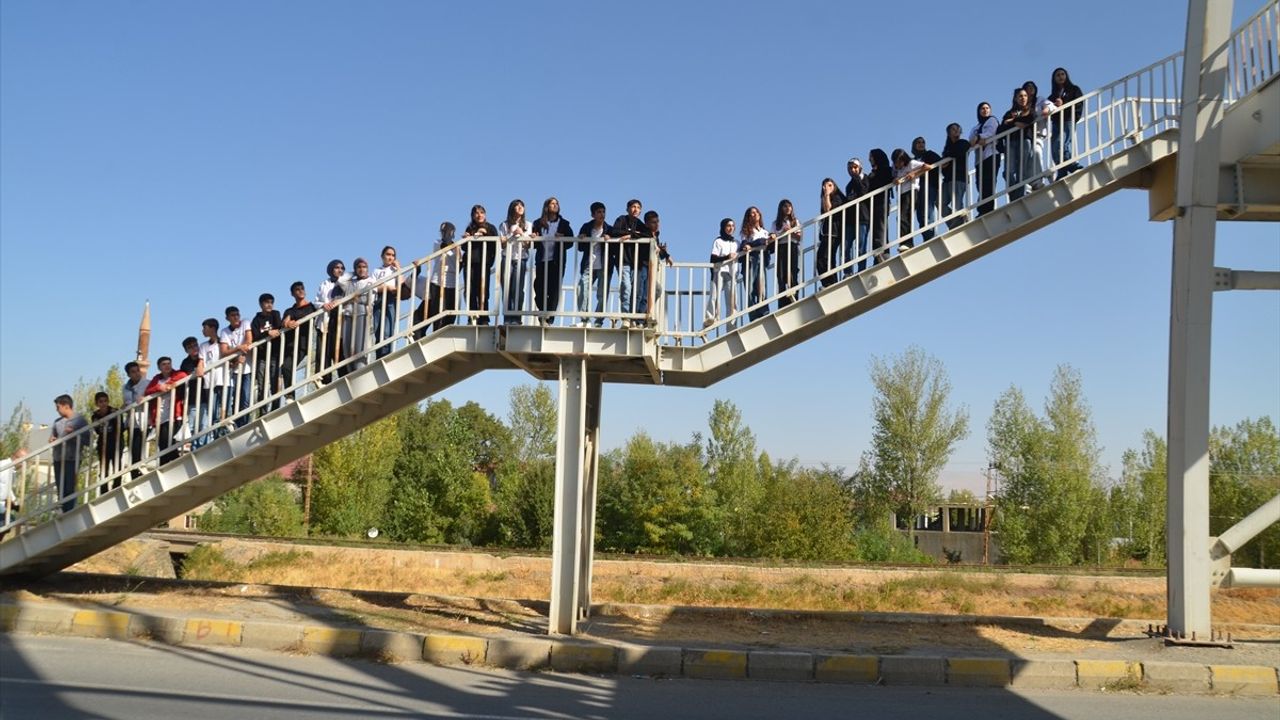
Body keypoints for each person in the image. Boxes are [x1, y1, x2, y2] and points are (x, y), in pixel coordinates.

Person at [414, 221, 463, 336]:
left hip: (452, 282)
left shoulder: (458, 247)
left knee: (451, 311)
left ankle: (445, 334)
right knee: (436, 310)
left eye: (448, 231)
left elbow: (459, 263)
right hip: (437, 281)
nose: (446, 234)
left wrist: (457, 251)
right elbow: (443, 247)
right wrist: (455, 249)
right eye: (443, 231)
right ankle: (435, 333)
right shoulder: (437, 243)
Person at [531, 197, 573, 325]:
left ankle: (549, 318)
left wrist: (563, 238)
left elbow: (571, 240)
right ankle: (543, 311)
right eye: (552, 203)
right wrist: (534, 237)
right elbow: (533, 243)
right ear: (546, 207)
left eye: (556, 203)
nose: (555, 205)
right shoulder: (538, 223)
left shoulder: (564, 223)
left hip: (557, 261)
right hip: (542, 260)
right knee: (539, 287)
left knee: (554, 289)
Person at [629, 209, 672, 325]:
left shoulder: (655, 236)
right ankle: (634, 318)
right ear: (647, 223)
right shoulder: (644, 233)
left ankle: (640, 317)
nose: (657, 224)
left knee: (654, 291)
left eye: (657, 221)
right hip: (641, 266)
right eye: (653, 222)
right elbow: (644, 245)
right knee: (639, 292)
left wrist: (666, 255)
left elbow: (658, 251)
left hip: (650, 269)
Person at [576, 201, 615, 325]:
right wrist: (582, 238)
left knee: (602, 294)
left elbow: (614, 249)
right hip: (589, 264)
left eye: (603, 212)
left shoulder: (609, 229)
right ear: (593, 215)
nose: (602, 214)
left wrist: (611, 239)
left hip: (604, 266)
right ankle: (584, 318)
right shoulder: (587, 227)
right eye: (599, 212)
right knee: (581, 287)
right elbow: (580, 248)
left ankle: (598, 320)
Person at [145, 357, 188, 466]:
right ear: (159, 367)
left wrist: (170, 383)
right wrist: (160, 387)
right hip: (159, 417)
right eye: (164, 364)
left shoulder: (176, 374)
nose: (167, 366)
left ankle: (167, 466)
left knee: (168, 441)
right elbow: (148, 391)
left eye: (169, 363)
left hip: (174, 415)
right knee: (163, 444)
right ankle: (172, 465)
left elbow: (183, 376)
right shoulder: (157, 379)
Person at [50, 394, 89, 513]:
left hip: (72, 458)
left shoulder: (80, 420)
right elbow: (53, 436)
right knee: (61, 488)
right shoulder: (57, 422)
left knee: (69, 488)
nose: (57, 410)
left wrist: (74, 435)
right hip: (58, 458)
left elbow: (88, 440)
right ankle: (63, 512)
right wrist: (52, 439)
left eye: (58, 407)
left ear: (66, 406)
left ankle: (69, 512)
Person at [462, 205, 499, 326]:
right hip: (470, 263)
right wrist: (467, 238)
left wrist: (485, 233)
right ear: (473, 216)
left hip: (484, 263)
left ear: (485, 214)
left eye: (482, 212)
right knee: (470, 291)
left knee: (483, 291)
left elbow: (495, 244)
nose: (479, 215)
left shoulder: (490, 227)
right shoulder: (470, 228)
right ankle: (472, 316)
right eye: (476, 213)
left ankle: (483, 318)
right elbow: (464, 247)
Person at [218, 306, 254, 427]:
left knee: (246, 398)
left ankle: (244, 424)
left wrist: (239, 351)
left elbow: (249, 340)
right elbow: (224, 352)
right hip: (234, 369)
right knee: (235, 399)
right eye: (233, 315)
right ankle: (237, 424)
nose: (236, 317)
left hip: (247, 368)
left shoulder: (245, 322)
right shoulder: (224, 332)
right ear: (227, 318)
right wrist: (238, 349)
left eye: (237, 314)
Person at [499, 200, 532, 325]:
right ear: (512, 208)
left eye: (522, 205)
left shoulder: (528, 224)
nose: (520, 207)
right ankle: (508, 318)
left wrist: (522, 234)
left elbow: (528, 245)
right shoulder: (504, 225)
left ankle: (517, 318)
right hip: (506, 258)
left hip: (521, 258)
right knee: (506, 290)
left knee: (517, 289)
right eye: (517, 205)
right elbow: (502, 244)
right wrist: (511, 234)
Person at [611, 199, 646, 319]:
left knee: (635, 289)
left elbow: (646, 234)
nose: (635, 209)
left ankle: (632, 315)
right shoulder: (621, 219)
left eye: (638, 207)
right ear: (628, 209)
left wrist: (631, 235)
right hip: (623, 259)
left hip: (636, 262)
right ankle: (626, 315)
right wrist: (630, 232)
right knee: (626, 287)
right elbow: (614, 231)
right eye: (633, 207)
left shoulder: (640, 224)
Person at [340, 258, 374, 376]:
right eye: (358, 267)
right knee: (347, 347)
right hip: (348, 314)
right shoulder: (350, 282)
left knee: (360, 345)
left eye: (364, 267)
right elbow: (340, 280)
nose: (361, 269)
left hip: (362, 314)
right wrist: (353, 273)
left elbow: (369, 299)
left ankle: (360, 369)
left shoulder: (371, 281)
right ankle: (351, 371)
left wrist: (355, 299)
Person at [1048, 67, 1084, 178]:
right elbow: (1049, 109)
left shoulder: (1074, 89)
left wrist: (1064, 104)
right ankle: (1063, 171)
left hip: (1068, 119)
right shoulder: (1052, 96)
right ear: (1054, 79)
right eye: (1057, 75)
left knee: (1062, 145)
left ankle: (1072, 165)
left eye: (1062, 74)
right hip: (1056, 122)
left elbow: (1078, 103)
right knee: (1055, 148)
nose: (1060, 77)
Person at [280, 282, 315, 397]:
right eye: (297, 289)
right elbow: (284, 322)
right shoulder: (290, 310)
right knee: (284, 368)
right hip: (289, 345)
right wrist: (287, 323)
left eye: (302, 288)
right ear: (292, 294)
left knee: (287, 366)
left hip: (302, 344)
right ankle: (289, 395)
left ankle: (290, 395)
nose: (300, 291)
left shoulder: (312, 307)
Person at [1001, 87, 1036, 201]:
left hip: (1025, 140)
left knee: (1022, 169)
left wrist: (1013, 121)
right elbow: (1001, 128)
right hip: (1011, 142)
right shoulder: (1009, 113)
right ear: (1015, 98)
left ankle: (1019, 194)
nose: (1023, 98)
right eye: (1020, 96)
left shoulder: (1030, 109)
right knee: (1008, 172)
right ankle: (1014, 194)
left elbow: (1031, 118)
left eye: (1025, 96)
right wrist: (1016, 122)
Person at [316, 259, 348, 383]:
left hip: (340, 320)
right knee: (323, 352)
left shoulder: (347, 282)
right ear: (330, 269)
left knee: (339, 352)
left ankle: (344, 378)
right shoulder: (324, 284)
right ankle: (325, 380)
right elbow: (317, 301)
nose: (339, 270)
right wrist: (324, 305)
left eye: (342, 268)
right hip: (325, 321)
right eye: (337, 267)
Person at [738, 206, 773, 321]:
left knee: (761, 287)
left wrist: (771, 239)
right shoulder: (746, 231)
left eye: (756, 212)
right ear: (748, 217)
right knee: (750, 288)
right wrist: (760, 242)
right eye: (752, 213)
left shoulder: (764, 231)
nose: (755, 214)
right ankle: (753, 314)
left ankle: (764, 310)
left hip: (762, 259)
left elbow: (769, 246)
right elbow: (744, 244)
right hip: (751, 259)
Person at [892, 148, 930, 250]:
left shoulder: (911, 163)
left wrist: (914, 173)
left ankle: (907, 242)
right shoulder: (896, 169)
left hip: (912, 191)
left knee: (904, 217)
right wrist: (895, 180)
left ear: (903, 159)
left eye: (899, 162)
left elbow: (927, 167)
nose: (897, 164)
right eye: (895, 162)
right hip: (902, 194)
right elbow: (894, 177)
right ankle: (906, 242)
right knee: (903, 218)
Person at [196, 318, 227, 445]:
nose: (203, 330)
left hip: (223, 379)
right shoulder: (203, 346)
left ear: (212, 328)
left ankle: (224, 435)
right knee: (213, 412)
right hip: (209, 382)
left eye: (205, 328)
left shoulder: (223, 342)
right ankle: (216, 438)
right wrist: (199, 367)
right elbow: (201, 361)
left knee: (224, 410)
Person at [969, 102, 1001, 216]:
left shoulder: (992, 120)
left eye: (987, 108)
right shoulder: (975, 127)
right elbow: (971, 141)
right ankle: (982, 207)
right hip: (979, 160)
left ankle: (986, 209)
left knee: (989, 182)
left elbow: (990, 133)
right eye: (982, 108)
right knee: (980, 184)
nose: (985, 110)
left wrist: (979, 137)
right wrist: (978, 139)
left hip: (991, 154)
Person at [370, 245, 403, 358]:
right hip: (378, 299)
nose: (390, 257)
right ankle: (379, 355)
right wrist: (386, 287)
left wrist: (398, 268)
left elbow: (401, 285)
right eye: (388, 254)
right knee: (377, 328)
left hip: (390, 299)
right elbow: (373, 287)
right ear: (382, 256)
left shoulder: (394, 270)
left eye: (393, 255)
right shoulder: (376, 271)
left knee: (387, 329)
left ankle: (386, 355)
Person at [704, 218, 738, 327]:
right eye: (728, 225)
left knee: (731, 300)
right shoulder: (718, 241)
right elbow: (713, 258)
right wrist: (727, 257)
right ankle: (710, 318)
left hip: (731, 274)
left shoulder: (736, 242)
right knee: (714, 296)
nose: (731, 228)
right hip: (719, 272)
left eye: (732, 226)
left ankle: (731, 325)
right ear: (723, 227)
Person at [864, 149, 894, 269]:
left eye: (871, 156)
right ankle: (880, 254)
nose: (869, 159)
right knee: (878, 228)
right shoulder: (873, 173)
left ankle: (881, 253)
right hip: (872, 204)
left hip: (881, 202)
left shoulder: (885, 170)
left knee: (880, 227)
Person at [911, 137, 944, 241]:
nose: (921, 144)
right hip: (917, 188)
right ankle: (926, 235)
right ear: (914, 145)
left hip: (930, 184)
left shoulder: (929, 154)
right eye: (918, 142)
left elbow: (942, 163)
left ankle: (931, 234)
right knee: (920, 213)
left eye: (923, 142)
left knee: (928, 209)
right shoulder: (912, 160)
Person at [940, 123, 971, 229]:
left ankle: (960, 222)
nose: (956, 130)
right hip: (948, 179)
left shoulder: (963, 143)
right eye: (953, 129)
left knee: (957, 203)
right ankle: (954, 222)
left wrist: (947, 158)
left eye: (958, 128)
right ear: (949, 133)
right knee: (940, 202)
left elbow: (960, 152)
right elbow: (943, 166)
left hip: (959, 177)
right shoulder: (947, 148)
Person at [771, 199, 801, 307]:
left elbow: (799, 237)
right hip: (781, 247)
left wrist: (790, 231)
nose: (788, 208)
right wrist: (782, 232)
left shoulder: (795, 221)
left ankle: (794, 297)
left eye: (789, 206)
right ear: (781, 209)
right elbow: (772, 238)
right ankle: (782, 302)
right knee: (781, 274)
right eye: (785, 206)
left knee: (793, 272)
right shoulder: (776, 223)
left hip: (792, 246)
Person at [90, 391, 122, 493]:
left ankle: (117, 486)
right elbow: (97, 431)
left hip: (116, 442)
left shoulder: (114, 412)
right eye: (100, 402)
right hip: (103, 444)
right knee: (104, 466)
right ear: (97, 403)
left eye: (105, 401)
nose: (103, 404)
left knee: (117, 465)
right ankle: (104, 489)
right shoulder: (95, 416)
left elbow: (120, 427)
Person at [816, 178, 845, 288]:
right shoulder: (824, 198)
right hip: (827, 233)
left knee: (825, 258)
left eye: (829, 185)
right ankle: (828, 283)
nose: (826, 188)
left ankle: (831, 283)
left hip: (834, 232)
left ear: (834, 186)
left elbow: (829, 210)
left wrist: (827, 195)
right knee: (823, 258)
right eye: (824, 186)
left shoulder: (837, 197)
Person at [122, 361, 148, 479]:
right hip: (131, 422)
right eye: (133, 372)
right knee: (133, 448)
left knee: (140, 446)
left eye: (138, 371)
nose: (137, 374)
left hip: (144, 420)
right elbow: (127, 403)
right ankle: (134, 473)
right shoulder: (125, 388)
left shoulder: (147, 383)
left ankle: (140, 469)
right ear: (128, 374)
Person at [843, 158, 869, 276]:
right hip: (850, 220)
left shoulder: (865, 178)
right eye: (850, 168)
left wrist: (857, 178)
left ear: (860, 168)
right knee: (846, 246)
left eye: (855, 167)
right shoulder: (848, 186)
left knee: (861, 245)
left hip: (862, 217)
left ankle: (861, 269)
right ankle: (848, 271)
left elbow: (863, 192)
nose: (852, 170)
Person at [1023, 81, 1049, 189]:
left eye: (1032, 87)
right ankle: (1030, 184)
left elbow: (1049, 105)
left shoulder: (1040, 99)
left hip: (1038, 134)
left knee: (1037, 154)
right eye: (1028, 87)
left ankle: (1038, 181)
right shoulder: (1022, 105)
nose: (1030, 89)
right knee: (1028, 159)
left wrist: (1047, 110)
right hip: (1026, 136)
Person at [178, 336, 204, 444]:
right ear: (186, 350)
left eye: (195, 345)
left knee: (204, 425)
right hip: (192, 399)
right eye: (190, 347)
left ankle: (202, 447)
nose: (194, 348)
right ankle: (195, 447)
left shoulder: (204, 356)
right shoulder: (185, 363)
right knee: (192, 426)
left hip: (206, 395)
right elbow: (191, 374)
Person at [0, 448, 26, 537]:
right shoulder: (4, 466)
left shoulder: (11, 469)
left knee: (10, 521)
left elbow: (8, 487)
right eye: (23, 461)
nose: (23, 465)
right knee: (8, 521)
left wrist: (15, 502)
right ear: (16, 458)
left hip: (2, 503)